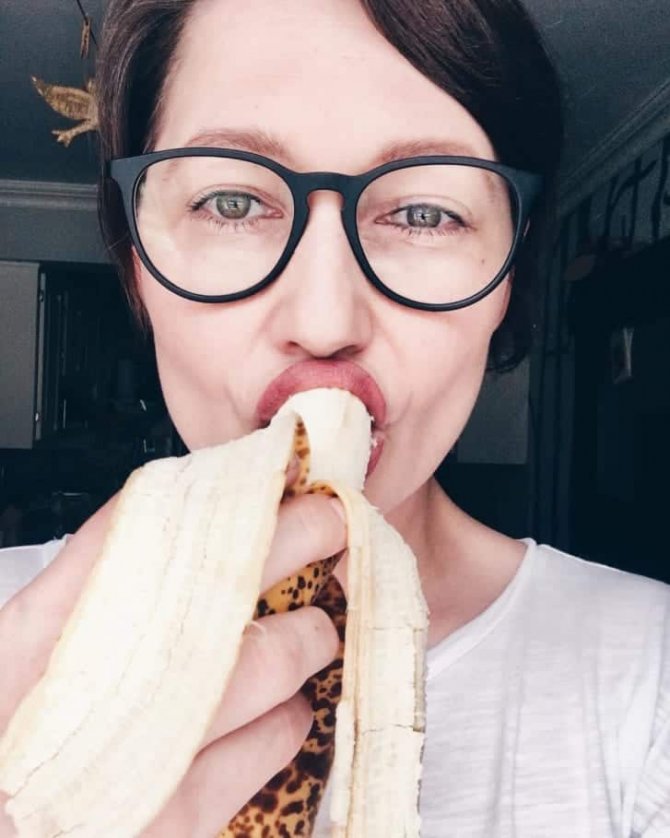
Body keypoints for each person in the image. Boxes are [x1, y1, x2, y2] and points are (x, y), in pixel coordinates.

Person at [1, 0, 668, 835]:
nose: (323, 323)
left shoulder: (650, 679)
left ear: (509, 278)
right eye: (231, 203)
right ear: (135, 262)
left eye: (424, 213)